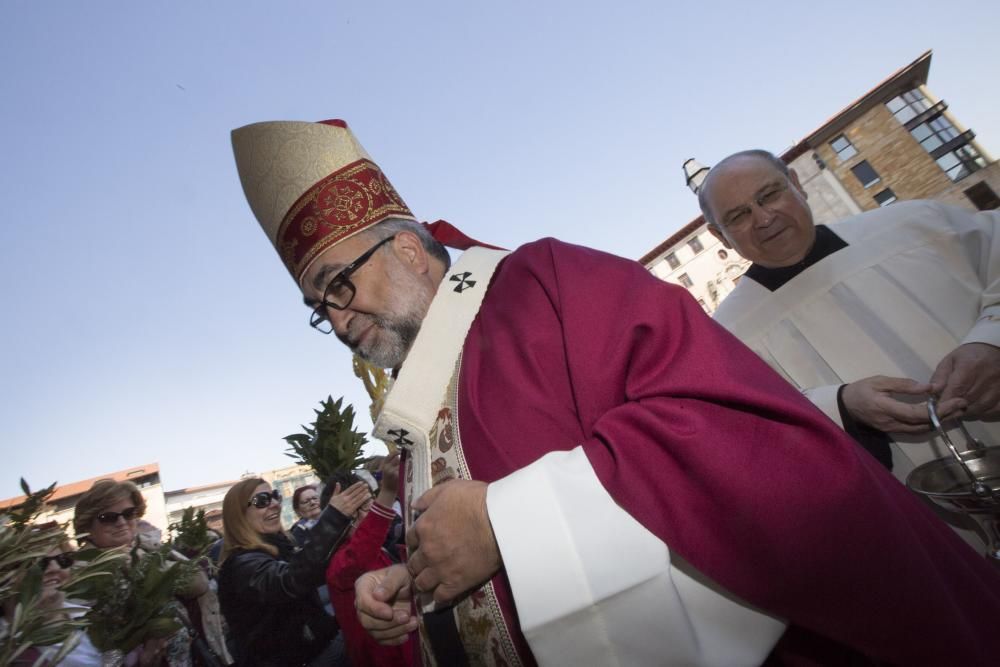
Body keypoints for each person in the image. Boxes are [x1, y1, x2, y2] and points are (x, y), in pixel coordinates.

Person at [231, 118, 1000, 666]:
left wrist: (506, 521)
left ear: (404, 244)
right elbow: (483, 560)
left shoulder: (548, 284)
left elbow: (740, 438)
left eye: (338, 285)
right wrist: (420, 582)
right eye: (317, 307)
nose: (335, 321)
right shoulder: (421, 395)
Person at [700, 149, 1000, 549]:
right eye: (738, 216)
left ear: (796, 182)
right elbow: (743, 429)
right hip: (920, 527)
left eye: (769, 194)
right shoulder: (726, 336)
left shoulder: (913, 223)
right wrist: (842, 407)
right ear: (721, 236)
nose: (764, 218)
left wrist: (991, 341)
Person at [216, 477, 369, 666]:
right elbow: (290, 579)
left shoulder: (280, 545)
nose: (274, 504)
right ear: (239, 515)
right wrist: (333, 517)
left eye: (275, 496)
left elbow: (318, 568)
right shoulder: (241, 564)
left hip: (320, 646)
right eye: (262, 500)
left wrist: (350, 531)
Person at [74, 480, 209, 666]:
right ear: (88, 526)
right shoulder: (82, 571)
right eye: (108, 517)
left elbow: (199, 583)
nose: (121, 522)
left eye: (128, 514)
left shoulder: (147, 547)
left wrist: (149, 565)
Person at [325, 452, 413, 667]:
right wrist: (388, 491)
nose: (369, 514)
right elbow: (359, 555)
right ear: (341, 517)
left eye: (371, 503)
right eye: (363, 508)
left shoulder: (377, 549)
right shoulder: (337, 564)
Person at [0, 537, 102, 666]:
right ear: (5, 578)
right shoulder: (6, 647)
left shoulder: (94, 617)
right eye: (37, 563)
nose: (55, 568)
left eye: (63, 560)